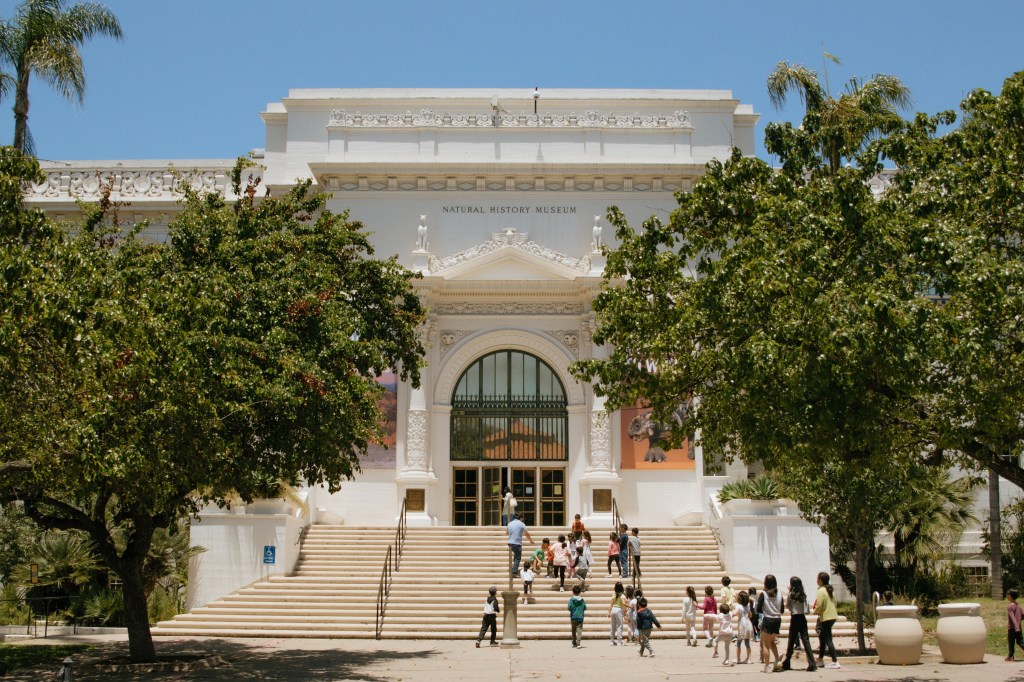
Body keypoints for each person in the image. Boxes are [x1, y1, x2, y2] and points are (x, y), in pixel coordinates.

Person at [782, 576, 816, 671]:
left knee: (791, 640)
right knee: (806, 640)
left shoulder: (790, 595)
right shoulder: (803, 595)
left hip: (794, 617)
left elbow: (788, 605)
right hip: (802, 617)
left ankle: (787, 661)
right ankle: (812, 662)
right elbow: (806, 608)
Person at [756, 573, 784, 673]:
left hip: (768, 619)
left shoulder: (763, 594)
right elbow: (782, 609)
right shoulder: (780, 594)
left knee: (765, 644)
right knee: (772, 642)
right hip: (777, 619)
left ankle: (767, 666)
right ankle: (777, 662)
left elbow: (758, 609)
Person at [813, 572, 841, 669]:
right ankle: (820, 659)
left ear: (820, 580)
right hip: (832, 616)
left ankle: (835, 661)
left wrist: (814, 611)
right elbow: (835, 603)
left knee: (828, 639)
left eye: (817, 579)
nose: (816, 580)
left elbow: (819, 605)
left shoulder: (821, 591)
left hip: (826, 617)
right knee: (823, 638)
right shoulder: (830, 590)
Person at [505, 513, 533, 578]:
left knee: (516, 556)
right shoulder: (521, 524)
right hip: (517, 543)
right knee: (518, 558)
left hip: (510, 543)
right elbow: (526, 534)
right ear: (521, 518)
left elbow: (506, 533)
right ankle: (514, 572)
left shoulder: (510, 523)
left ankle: (514, 568)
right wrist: (531, 540)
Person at [735, 590, 753, 663]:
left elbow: (735, 612)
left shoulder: (738, 606)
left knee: (738, 643)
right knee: (747, 643)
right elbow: (750, 615)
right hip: (748, 624)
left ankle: (738, 659)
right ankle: (748, 659)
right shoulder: (747, 606)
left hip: (742, 625)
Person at [568, 583, 587, 649]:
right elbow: (585, 607)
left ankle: (574, 642)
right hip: (580, 617)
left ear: (573, 592)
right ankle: (578, 643)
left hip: (573, 616)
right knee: (579, 631)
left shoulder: (571, 600)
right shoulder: (582, 600)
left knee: (573, 630)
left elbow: (569, 607)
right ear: (580, 592)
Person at [608, 581, 626, 645]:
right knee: (619, 626)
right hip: (619, 610)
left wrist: (609, 612)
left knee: (613, 626)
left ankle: (611, 641)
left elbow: (611, 604)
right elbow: (624, 605)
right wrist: (624, 613)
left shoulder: (613, 595)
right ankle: (619, 641)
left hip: (613, 610)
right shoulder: (622, 596)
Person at [1008, 589, 1024, 661]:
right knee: (1020, 641)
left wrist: (1016, 627)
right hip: (1019, 627)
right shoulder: (1018, 606)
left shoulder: (1009, 607)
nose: (1007, 596)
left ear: (1010, 596)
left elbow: (1012, 618)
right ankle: (1010, 656)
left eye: (1008, 594)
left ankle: (1011, 656)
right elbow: (1023, 615)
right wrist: (1019, 621)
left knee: (1011, 642)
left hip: (1012, 628)